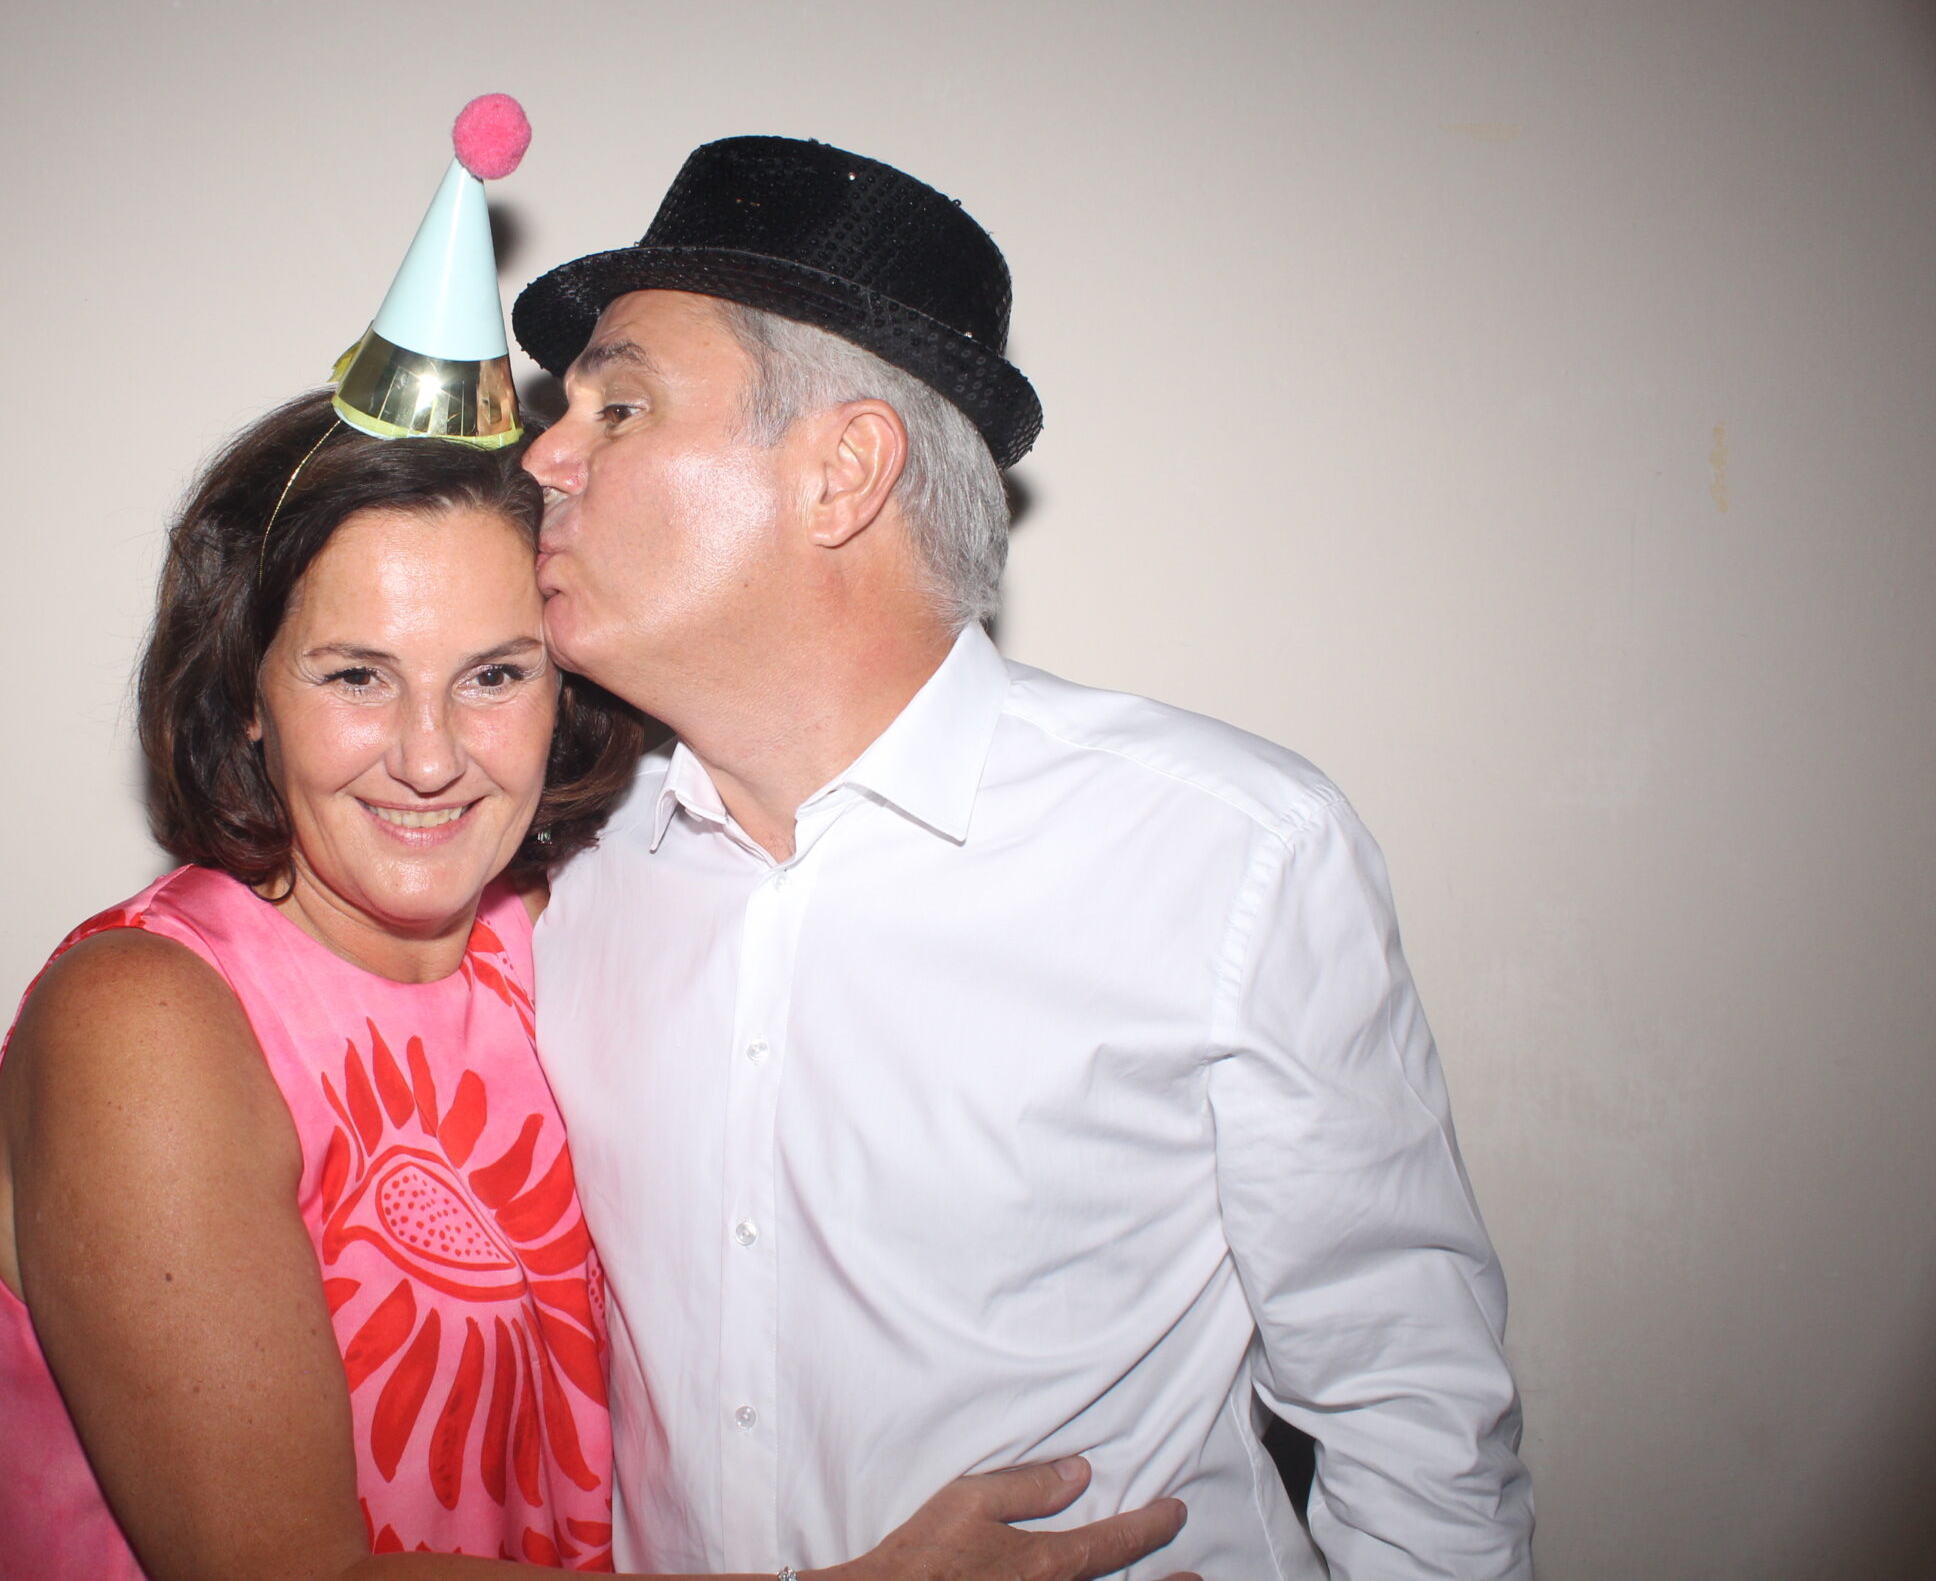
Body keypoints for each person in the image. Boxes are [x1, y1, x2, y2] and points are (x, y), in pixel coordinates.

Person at [0, 103, 1198, 1581]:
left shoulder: (557, 947)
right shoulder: (147, 1019)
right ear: (244, 697)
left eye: (494, 675)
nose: (431, 756)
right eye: (355, 676)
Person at [511, 136, 1536, 1580]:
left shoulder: (1225, 857)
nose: (545, 457)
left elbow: (1414, 1426)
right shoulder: (559, 876)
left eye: (618, 405)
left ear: (842, 472)